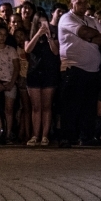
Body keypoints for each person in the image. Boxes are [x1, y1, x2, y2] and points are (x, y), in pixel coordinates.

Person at [58, 0, 101, 148]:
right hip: (74, 68)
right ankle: (67, 137)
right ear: (71, 4)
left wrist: (91, 37)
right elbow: (83, 32)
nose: (82, 5)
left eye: (85, 2)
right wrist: (92, 36)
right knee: (71, 105)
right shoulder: (67, 18)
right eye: (78, 2)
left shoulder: (92, 20)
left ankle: (86, 136)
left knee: (88, 106)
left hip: (92, 70)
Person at [24, 10, 60, 147]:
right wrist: (38, 33)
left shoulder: (53, 34)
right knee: (36, 107)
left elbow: (56, 51)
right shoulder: (30, 34)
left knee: (47, 106)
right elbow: (27, 49)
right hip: (34, 73)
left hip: (49, 74)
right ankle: (35, 135)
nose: (42, 25)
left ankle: (45, 136)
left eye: (44, 22)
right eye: (39, 23)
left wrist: (49, 36)